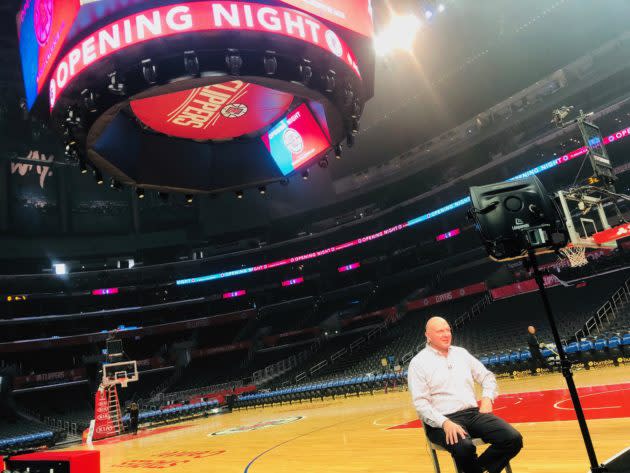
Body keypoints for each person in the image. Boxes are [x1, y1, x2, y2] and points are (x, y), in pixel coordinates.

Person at [408, 317, 522, 473]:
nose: (446, 334)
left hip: (472, 415)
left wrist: (487, 398)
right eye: (440, 331)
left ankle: (477, 469)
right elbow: (421, 403)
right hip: (441, 421)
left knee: (512, 439)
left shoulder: (461, 353)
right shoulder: (418, 362)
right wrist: (445, 423)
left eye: (448, 330)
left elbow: (487, 376)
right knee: (464, 447)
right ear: (428, 335)